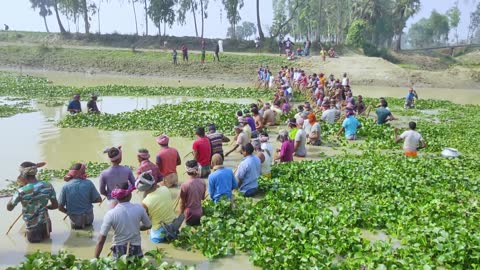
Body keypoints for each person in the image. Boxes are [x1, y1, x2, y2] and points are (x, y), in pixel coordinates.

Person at [94, 183, 152, 259]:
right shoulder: (139, 208)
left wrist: (96, 258)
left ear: (116, 198)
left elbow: (101, 240)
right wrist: (137, 227)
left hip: (119, 250)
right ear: (129, 195)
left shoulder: (110, 214)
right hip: (136, 249)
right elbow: (149, 225)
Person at [7, 162, 58, 243]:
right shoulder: (48, 185)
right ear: (35, 172)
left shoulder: (21, 191)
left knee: (34, 251)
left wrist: (18, 190)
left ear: (23, 174)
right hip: (46, 224)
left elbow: (9, 208)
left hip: (32, 227)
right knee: (48, 249)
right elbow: (55, 206)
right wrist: (45, 206)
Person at [136, 172, 181, 243]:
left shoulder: (145, 203)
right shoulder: (165, 189)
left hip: (159, 234)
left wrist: (135, 227)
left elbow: (147, 225)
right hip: (174, 227)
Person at [59, 163, 102, 230]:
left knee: (76, 234)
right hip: (89, 218)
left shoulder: (65, 187)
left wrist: (68, 212)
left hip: (76, 220)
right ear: (82, 172)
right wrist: (87, 199)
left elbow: (60, 207)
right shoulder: (88, 183)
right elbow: (99, 199)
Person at [180, 160, 206, 226]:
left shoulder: (184, 185)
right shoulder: (203, 182)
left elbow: (182, 203)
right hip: (199, 212)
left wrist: (180, 216)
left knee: (189, 233)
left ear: (187, 171)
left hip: (189, 214)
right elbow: (202, 198)